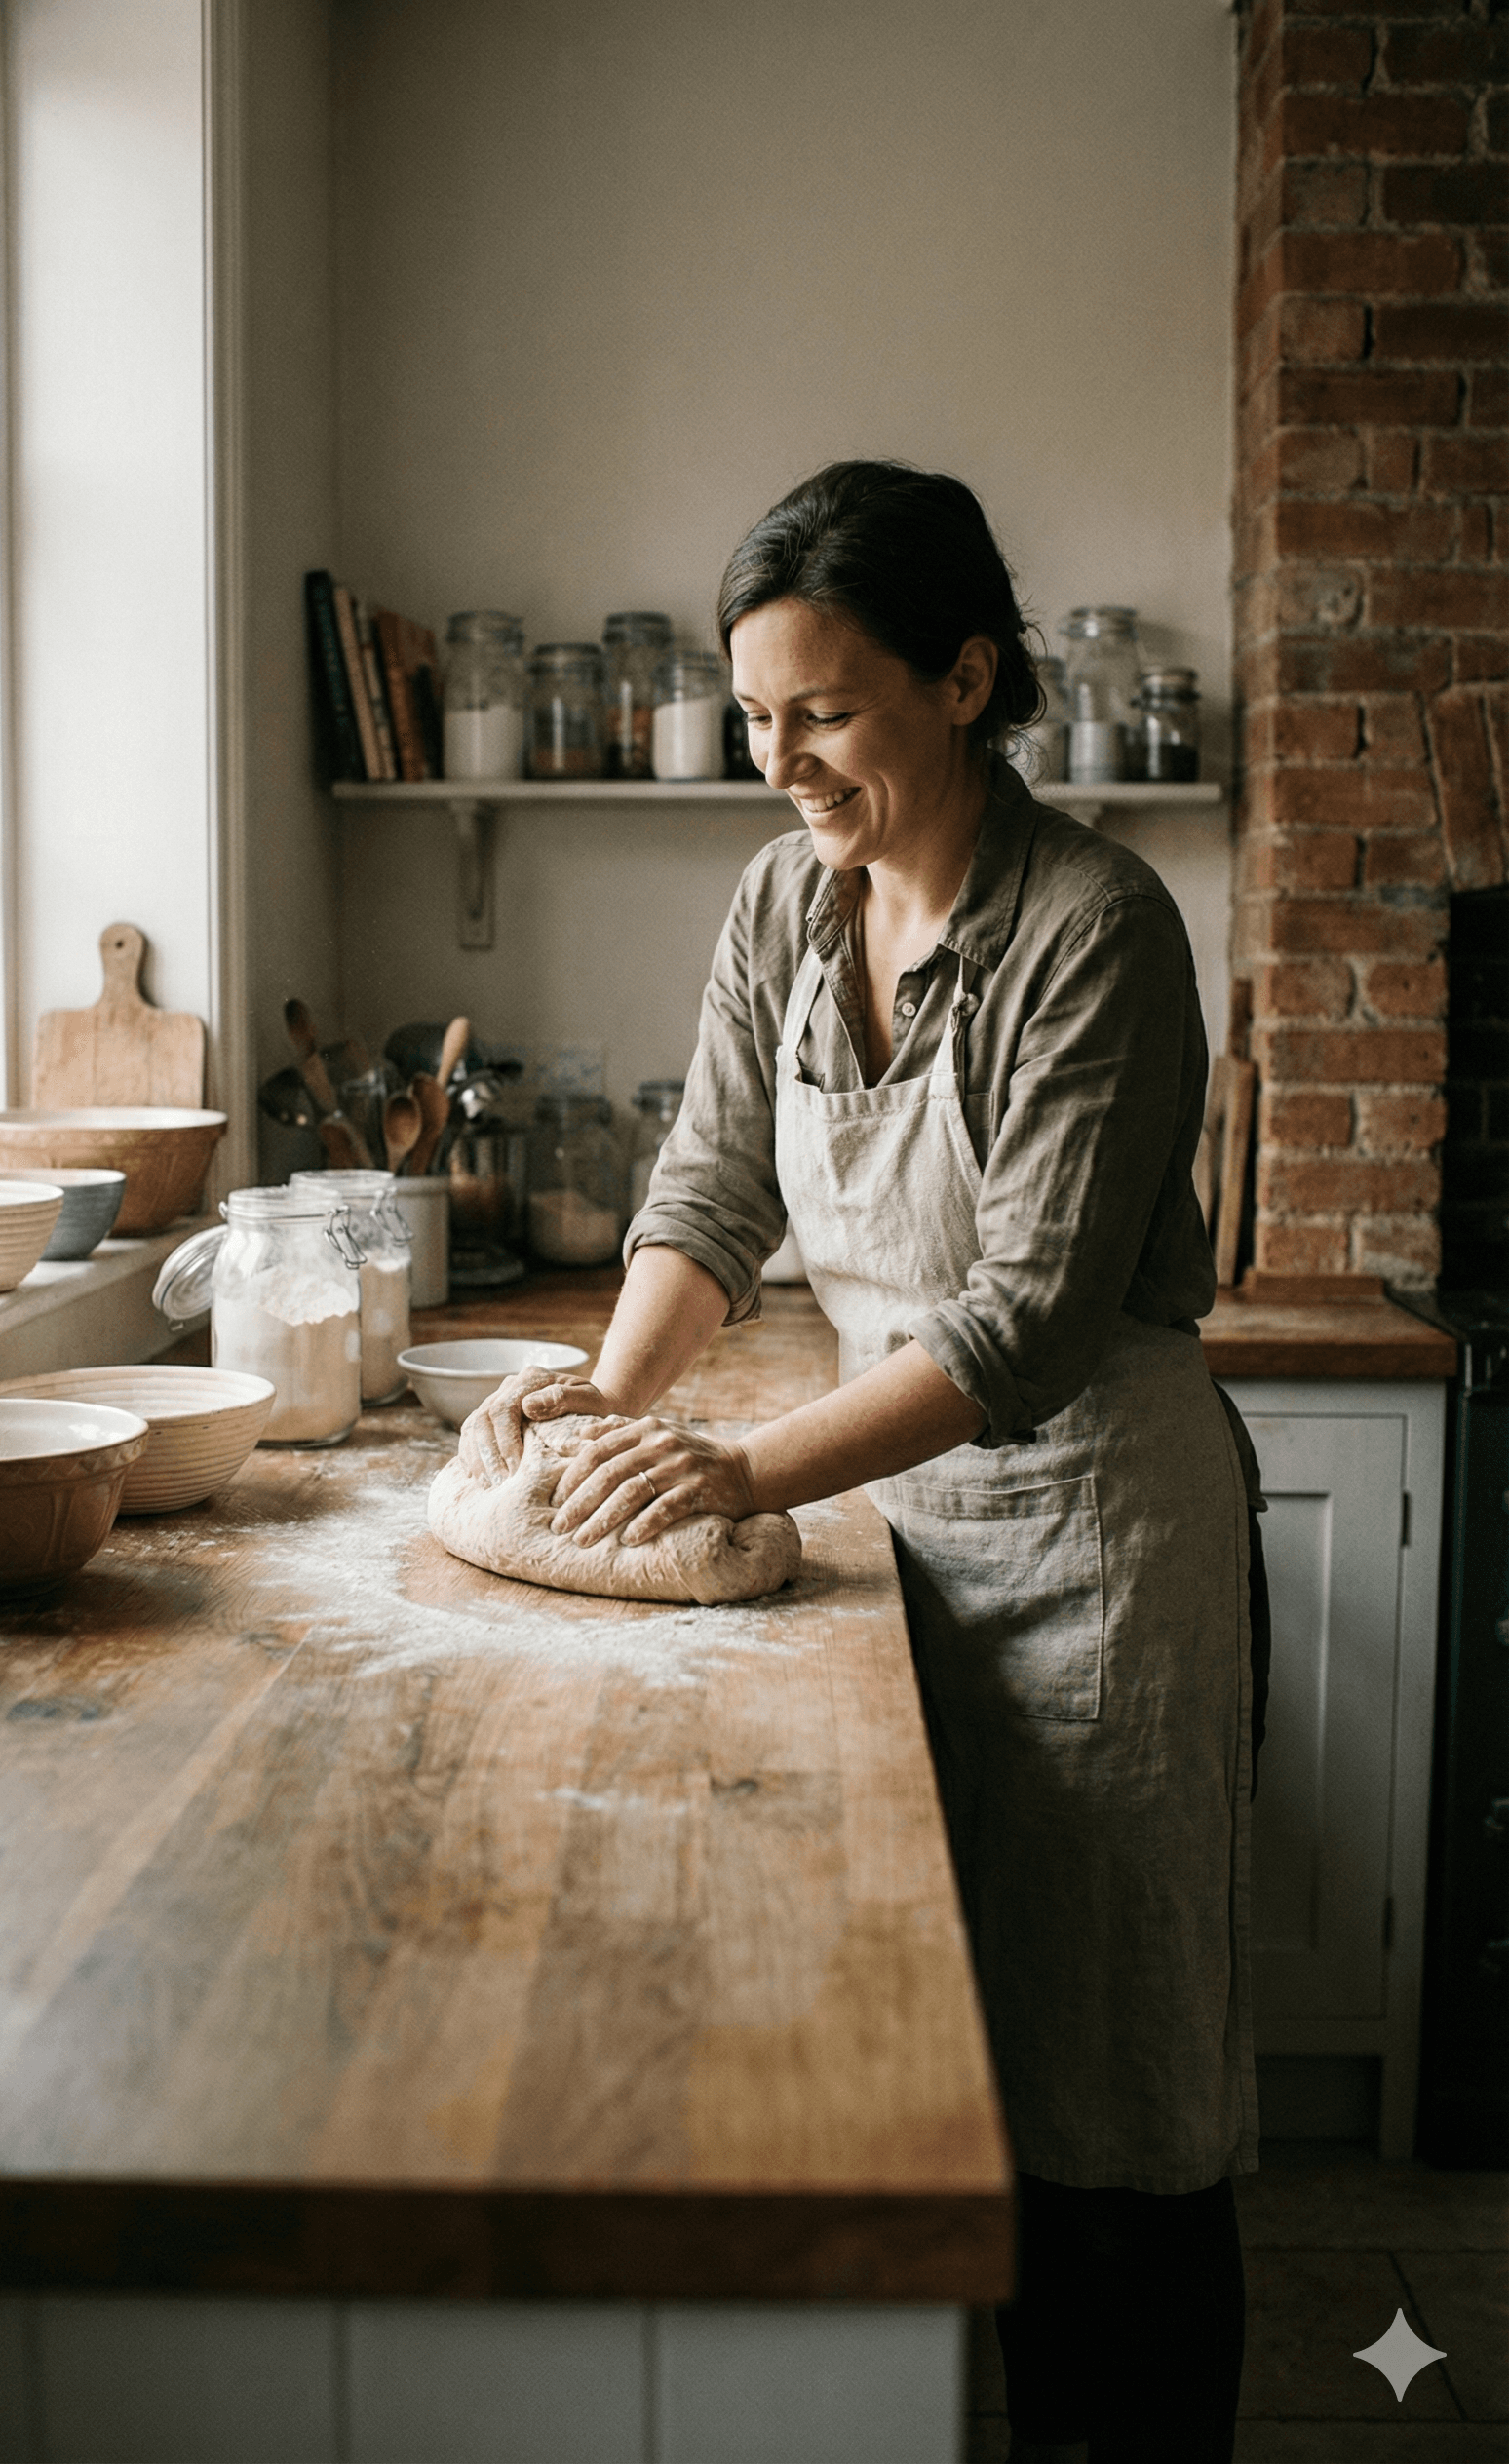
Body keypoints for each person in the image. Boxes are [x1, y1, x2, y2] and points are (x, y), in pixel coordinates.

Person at [460, 461, 1260, 2463]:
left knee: (1111, 2097)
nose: (778, 760)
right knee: (919, 2057)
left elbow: (1022, 1323)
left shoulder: (1093, 925)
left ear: (964, 677)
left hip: (1095, 1543)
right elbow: (707, 1192)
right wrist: (615, 1398)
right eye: (754, 717)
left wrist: (743, 1477)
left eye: (818, 711)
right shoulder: (779, 902)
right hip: (889, 1511)